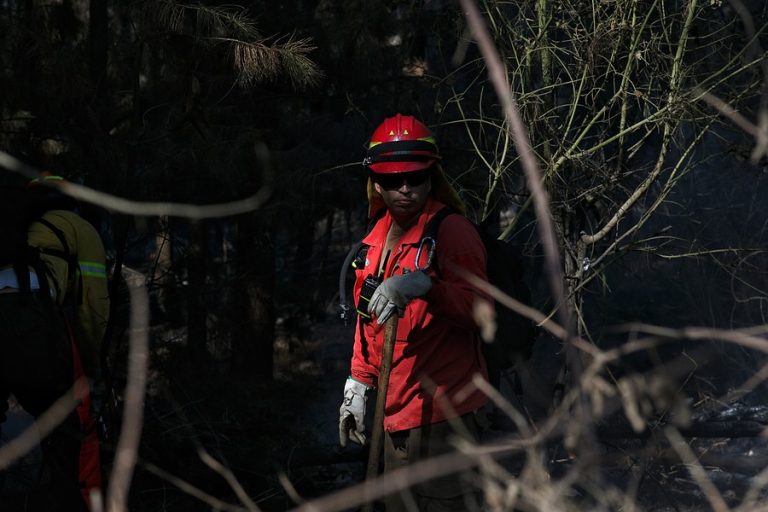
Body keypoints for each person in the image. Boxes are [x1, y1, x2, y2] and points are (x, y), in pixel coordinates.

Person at [338, 114, 491, 511]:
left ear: (431, 176)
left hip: (444, 419)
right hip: (392, 419)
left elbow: (482, 313)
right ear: (375, 183)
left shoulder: (451, 232)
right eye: (392, 181)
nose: (404, 189)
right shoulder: (373, 241)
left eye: (415, 178)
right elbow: (366, 320)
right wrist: (357, 386)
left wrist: (429, 288)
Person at [0, 171, 109, 511]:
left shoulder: (10, 228)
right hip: (30, 317)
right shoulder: (79, 229)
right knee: (73, 431)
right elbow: (94, 307)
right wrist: (90, 365)